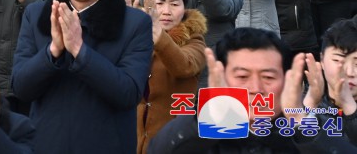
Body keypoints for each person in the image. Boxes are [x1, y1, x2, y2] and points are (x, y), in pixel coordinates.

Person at [12, 0, 153, 154]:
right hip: (47, 144)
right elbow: (21, 87)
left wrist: (80, 51)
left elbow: (128, 93)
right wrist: (53, 51)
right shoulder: (37, 14)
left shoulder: (134, 23)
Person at [149, 28, 356, 152]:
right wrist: (216, 118)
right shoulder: (197, 129)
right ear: (220, 78)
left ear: (286, 81)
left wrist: (300, 119)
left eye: (268, 77)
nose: (256, 89)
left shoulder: (306, 131)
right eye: (242, 77)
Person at [135, 0, 206, 154]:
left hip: (173, 143)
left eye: (174, 4)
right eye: (159, 3)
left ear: (184, 7)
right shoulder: (135, 37)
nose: (166, 11)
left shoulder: (194, 40)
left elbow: (184, 66)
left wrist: (158, 35)